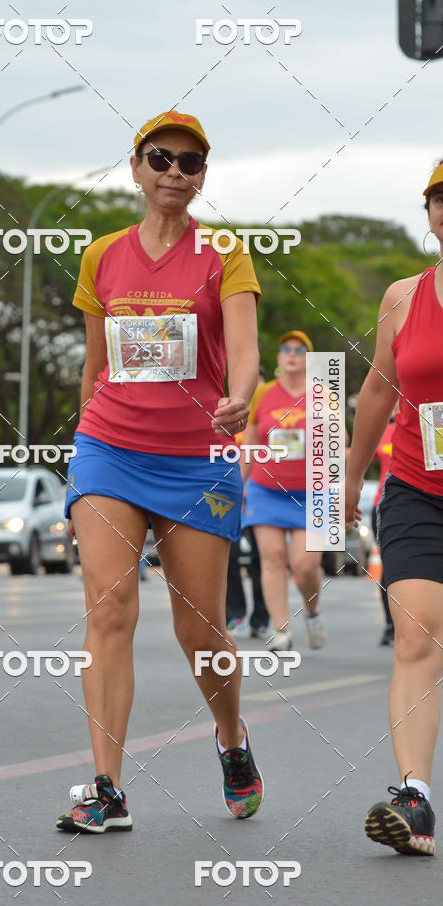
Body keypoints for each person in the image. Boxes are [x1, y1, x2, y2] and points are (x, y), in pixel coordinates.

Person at [56, 111, 264, 834]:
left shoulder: (224, 253)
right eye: (161, 158)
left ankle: (231, 738)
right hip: (109, 448)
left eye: (190, 161)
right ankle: (106, 788)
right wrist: (82, 448)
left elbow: (245, 349)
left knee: (200, 629)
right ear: (137, 168)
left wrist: (242, 396)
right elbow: (95, 364)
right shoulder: (101, 256)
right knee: (109, 608)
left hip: (197, 460)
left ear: (203, 175)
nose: (175, 172)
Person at [345, 160, 443, 857]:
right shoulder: (404, 297)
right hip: (415, 489)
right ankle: (416, 801)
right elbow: (378, 390)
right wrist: (349, 479)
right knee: (415, 637)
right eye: (439, 199)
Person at [241, 331, 327, 652]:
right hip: (266, 490)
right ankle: (281, 631)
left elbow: (340, 444)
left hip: (311, 493)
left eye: (299, 350)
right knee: (272, 559)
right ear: (279, 357)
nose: (292, 354)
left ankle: (312, 612)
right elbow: (250, 446)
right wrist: (236, 488)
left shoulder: (322, 395)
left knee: (304, 565)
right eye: (286, 349)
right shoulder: (262, 395)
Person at [226, 366, 270, 640]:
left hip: (262, 496)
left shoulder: (273, 418)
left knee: (261, 559)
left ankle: (261, 618)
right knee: (228, 557)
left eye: (259, 385)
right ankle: (235, 612)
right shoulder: (227, 416)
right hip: (230, 495)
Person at [372, 414, 396, 645]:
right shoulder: (383, 429)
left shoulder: (430, 417)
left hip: (428, 503)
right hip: (384, 504)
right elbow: (357, 454)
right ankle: (391, 625)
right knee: (390, 567)